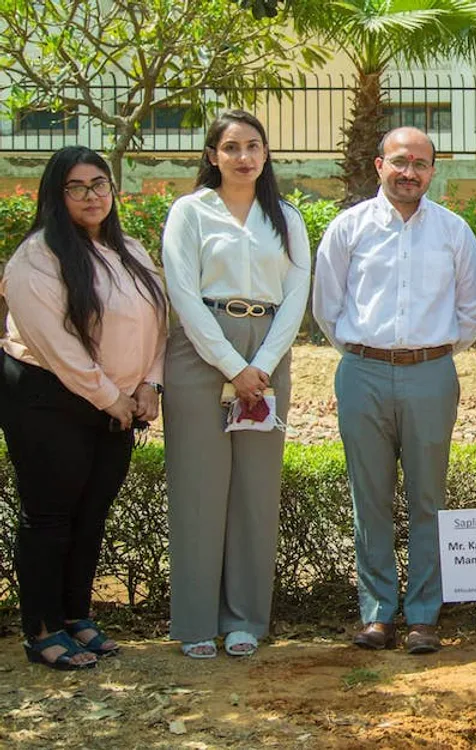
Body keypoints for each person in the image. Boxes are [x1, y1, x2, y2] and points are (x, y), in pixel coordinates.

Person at [313, 127, 476, 654]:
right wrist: (368, 354)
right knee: (370, 499)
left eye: (421, 163)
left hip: (431, 374)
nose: (409, 171)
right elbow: (327, 306)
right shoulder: (348, 228)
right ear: (378, 164)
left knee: (428, 499)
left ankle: (424, 617)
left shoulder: (454, 232)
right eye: (399, 161)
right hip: (362, 372)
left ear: (433, 170)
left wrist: (429, 357)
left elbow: (473, 311)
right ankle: (377, 614)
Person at [0, 146, 166, 670]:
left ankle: (76, 616)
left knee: (91, 513)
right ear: (56, 194)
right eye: (77, 187)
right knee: (50, 516)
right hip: (47, 398)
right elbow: (57, 348)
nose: (92, 196)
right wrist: (112, 397)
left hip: (116, 405)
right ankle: (42, 628)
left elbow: (159, 323)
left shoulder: (131, 251)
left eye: (100, 184)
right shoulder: (37, 258)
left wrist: (149, 385)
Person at [163, 110, 311, 659]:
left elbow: (298, 292)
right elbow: (181, 291)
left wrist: (263, 364)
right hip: (202, 350)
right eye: (230, 147)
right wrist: (231, 365)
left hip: (268, 349)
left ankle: (246, 617)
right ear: (212, 156)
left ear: (267, 154)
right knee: (199, 488)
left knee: (255, 489)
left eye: (253, 146)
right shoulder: (190, 212)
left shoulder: (286, 216)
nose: (243, 157)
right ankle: (197, 620)